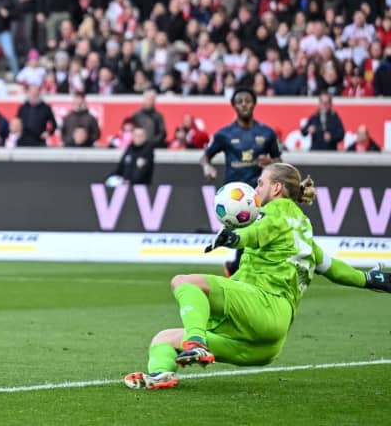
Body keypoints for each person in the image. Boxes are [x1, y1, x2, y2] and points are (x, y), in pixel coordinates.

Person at [123, 162, 391, 391]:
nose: (257, 190)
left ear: (276, 188)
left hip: (261, 307)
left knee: (184, 282)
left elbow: (258, 233)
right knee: (164, 339)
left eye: (261, 183)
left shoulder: (276, 212)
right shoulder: (302, 231)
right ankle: (162, 375)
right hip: (267, 344)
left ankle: (197, 342)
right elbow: (331, 267)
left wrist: (236, 237)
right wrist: (368, 279)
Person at [200, 88, 282, 276]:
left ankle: (236, 269)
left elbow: (279, 161)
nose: (244, 104)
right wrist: (208, 167)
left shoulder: (267, 133)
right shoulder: (224, 134)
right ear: (234, 106)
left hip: (260, 193)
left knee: (256, 235)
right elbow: (205, 157)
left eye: (247, 100)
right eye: (240, 101)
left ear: (254, 103)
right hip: (234, 196)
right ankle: (238, 270)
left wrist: (269, 162)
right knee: (246, 235)